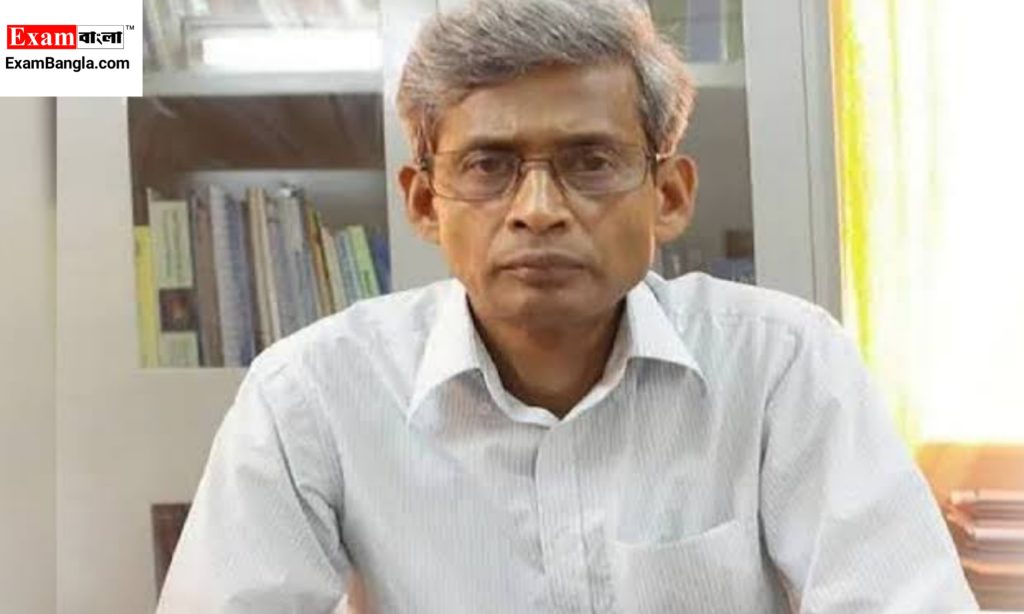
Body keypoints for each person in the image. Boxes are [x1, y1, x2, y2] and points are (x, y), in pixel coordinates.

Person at [156, 1, 978, 612]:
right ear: (424, 202)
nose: (539, 210)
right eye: (488, 166)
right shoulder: (310, 394)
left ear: (668, 195)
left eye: (590, 162)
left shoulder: (783, 364)